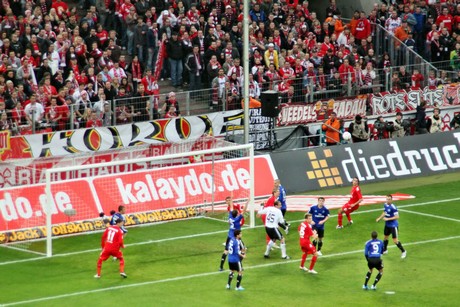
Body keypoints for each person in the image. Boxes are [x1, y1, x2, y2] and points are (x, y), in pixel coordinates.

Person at [219, 197, 248, 271]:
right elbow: (244, 211)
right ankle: (239, 265)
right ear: (237, 215)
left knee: (226, 251)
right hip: (236, 237)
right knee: (243, 250)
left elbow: (231, 208)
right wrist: (247, 202)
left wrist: (231, 201)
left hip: (229, 235)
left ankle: (221, 267)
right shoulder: (237, 220)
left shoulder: (230, 216)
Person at [376, 195, 407, 259]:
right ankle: (385, 250)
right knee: (385, 238)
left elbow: (397, 216)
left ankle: (403, 251)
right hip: (387, 225)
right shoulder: (385, 205)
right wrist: (379, 218)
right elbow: (385, 212)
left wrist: (388, 219)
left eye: (389, 199)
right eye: (387, 199)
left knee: (395, 241)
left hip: (393, 225)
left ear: (391, 200)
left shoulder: (393, 207)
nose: (388, 200)